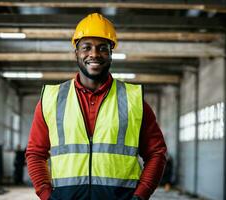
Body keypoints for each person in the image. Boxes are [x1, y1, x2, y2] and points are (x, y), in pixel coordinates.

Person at [26, 13, 167, 200]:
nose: (94, 54)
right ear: (76, 52)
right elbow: (35, 153)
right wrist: (46, 195)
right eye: (86, 47)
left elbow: (157, 153)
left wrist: (140, 195)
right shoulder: (52, 99)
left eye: (103, 48)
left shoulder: (134, 100)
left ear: (111, 54)